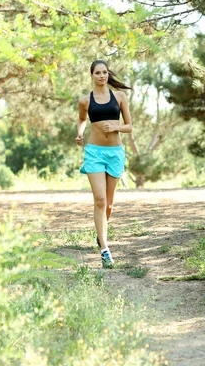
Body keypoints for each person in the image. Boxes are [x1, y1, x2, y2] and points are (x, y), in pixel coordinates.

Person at [75, 60, 132, 268]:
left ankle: (101, 234)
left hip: (115, 153)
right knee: (99, 200)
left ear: (108, 75)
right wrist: (80, 134)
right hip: (94, 153)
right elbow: (82, 120)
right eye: (98, 73)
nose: (102, 76)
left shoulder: (119, 97)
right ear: (92, 75)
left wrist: (115, 126)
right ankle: (105, 250)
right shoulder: (85, 101)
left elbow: (130, 126)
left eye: (105, 72)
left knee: (108, 204)